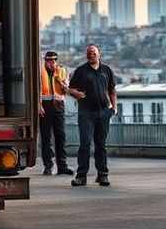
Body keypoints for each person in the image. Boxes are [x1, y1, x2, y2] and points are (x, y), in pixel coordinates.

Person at [67, 44, 117, 187]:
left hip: (103, 112)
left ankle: (102, 175)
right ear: (86, 55)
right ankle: (81, 176)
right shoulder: (81, 71)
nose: (91, 55)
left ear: (99, 54)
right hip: (86, 113)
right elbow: (70, 89)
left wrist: (114, 108)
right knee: (85, 144)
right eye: (89, 53)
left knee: (101, 145)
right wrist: (76, 93)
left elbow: (112, 90)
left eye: (94, 53)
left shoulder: (106, 70)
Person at [39, 51, 74, 176]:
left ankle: (62, 166)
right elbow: (36, 90)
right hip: (45, 107)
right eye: (48, 61)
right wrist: (39, 105)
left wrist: (59, 79)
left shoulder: (62, 71)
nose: (51, 63)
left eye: (53, 61)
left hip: (59, 106)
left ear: (56, 61)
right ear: (45, 61)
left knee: (61, 137)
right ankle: (48, 166)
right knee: (46, 138)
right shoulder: (40, 72)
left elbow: (66, 89)